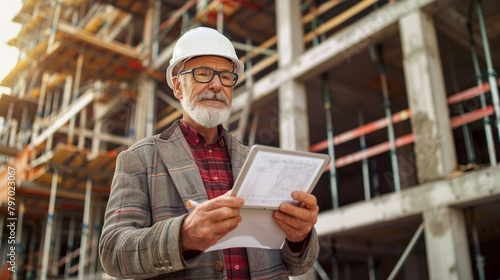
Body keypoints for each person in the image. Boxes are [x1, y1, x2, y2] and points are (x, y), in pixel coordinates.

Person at [99, 27, 319, 279]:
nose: (216, 85)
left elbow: (298, 265)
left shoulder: (257, 162)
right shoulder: (139, 159)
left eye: (226, 77)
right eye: (203, 73)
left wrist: (299, 237)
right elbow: (113, 253)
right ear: (177, 86)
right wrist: (183, 236)